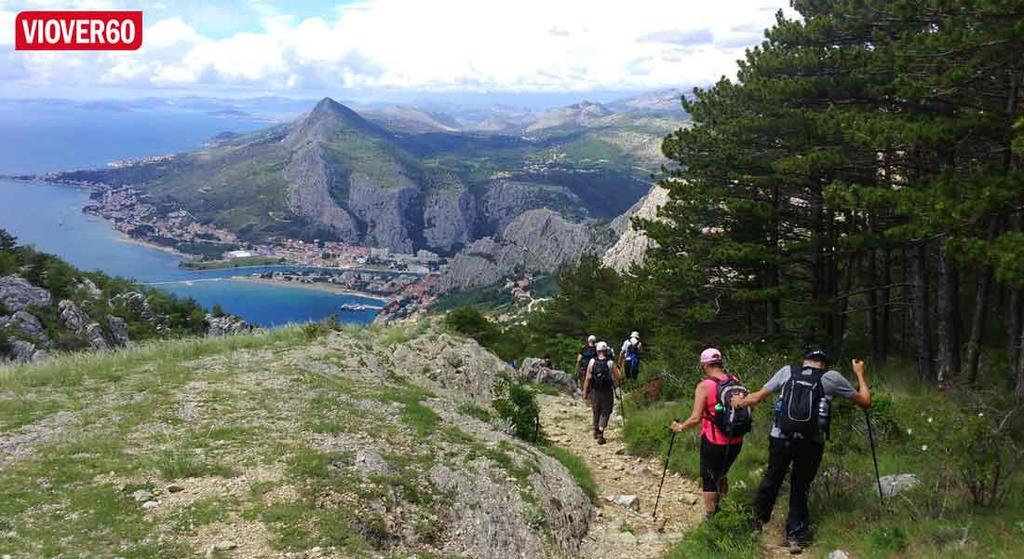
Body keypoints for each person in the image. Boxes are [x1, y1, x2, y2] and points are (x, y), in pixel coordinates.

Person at [732, 349, 871, 553]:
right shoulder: (831, 377)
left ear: (805, 361)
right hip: (811, 441)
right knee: (800, 486)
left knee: (772, 479)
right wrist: (859, 373)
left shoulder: (787, 371)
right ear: (824, 364)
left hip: (781, 437)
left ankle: (754, 527)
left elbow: (757, 397)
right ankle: (796, 536)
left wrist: (740, 401)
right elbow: (865, 402)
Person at [671, 348, 748, 518]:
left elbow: (696, 417)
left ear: (704, 365)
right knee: (722, 473)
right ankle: (723, 508)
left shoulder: (704, 386)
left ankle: (712, 517)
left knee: (709, 478)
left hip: (715, 440)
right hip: (735, 439)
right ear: (720, 362)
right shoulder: (735, 380)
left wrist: (681, 427)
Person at [583, 341, 623, 445]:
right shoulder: (610, 362)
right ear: (606, 351)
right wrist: (618, 368)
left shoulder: (592, 362)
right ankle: (601, 431)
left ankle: (596, 429)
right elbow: (619, 377)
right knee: (606, 411)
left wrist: (585, 392)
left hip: (594, 390)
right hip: (607, 391)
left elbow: (587, 378)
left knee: (596, 410)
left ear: (597, 351)